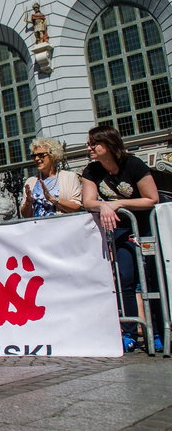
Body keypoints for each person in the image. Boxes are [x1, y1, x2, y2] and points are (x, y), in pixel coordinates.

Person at [81, 125, 160, 352]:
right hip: (119, 231)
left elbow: (151, 198)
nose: (89, 148)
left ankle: (157, 330)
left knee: (152, 277)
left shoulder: (133, 164)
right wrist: (104, 205)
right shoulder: (92, 170)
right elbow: (89, 201)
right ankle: (129, 330)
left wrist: (118, 203)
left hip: (144, 228)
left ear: (108, 144)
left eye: (93, 144)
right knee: (125, 277)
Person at [20, 138, 82, 218]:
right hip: (38, 228)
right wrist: (28, 201)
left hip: (63, 227)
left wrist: (52, 199)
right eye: (34, 156)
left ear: (52, 155)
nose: (36, 159)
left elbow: (76, 207)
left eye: (41, 155)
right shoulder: (30, 182)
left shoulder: (70, 177)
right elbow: (26, 216)